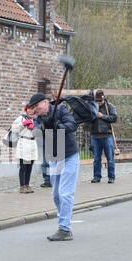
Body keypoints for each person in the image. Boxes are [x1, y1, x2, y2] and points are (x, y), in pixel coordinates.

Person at [32, 93, 79, 241]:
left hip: (69, 155)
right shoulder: (39, 118)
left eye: (36, 106)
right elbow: (36, 132)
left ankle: (64, 228)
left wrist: (59, 126)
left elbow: (72, 125)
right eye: (33, 107)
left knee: (65, 193)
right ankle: (65, 219)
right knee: (56, 195)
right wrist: (45, 127)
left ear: (45, 103)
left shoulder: (61, 110)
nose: (35, 109)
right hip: (54, 158)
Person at [90, 90, 118, 184]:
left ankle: (111, 177)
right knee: (96, 159)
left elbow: (114, 118)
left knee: (110, 158)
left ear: (103, 98)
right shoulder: (93, 107)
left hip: (107, 135)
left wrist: (103, 116)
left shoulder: (110, 106)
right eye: (97, 100)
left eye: (100, 100)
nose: (98, 102)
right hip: (95, 136)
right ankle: (96, 177)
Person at [11, 102, 38, 194]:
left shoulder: (36, 119)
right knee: (23, 166)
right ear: (26, 110)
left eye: (33, 108)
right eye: (29, 108)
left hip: (33, 143)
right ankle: (22, 186)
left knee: (30, 166)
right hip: (24, 142)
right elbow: (14, 129)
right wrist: (23, 124)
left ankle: (27, 185)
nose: (31, 110)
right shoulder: (21, 118)